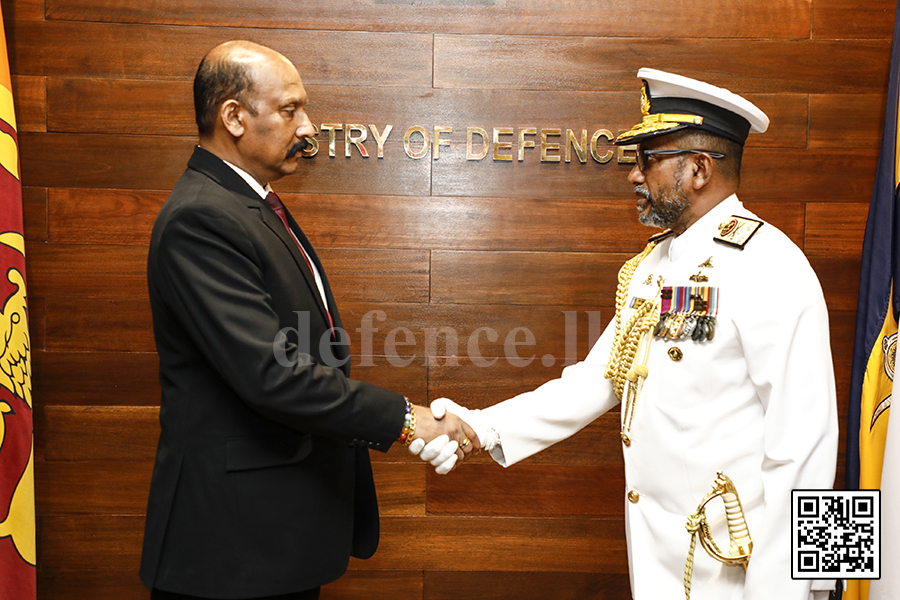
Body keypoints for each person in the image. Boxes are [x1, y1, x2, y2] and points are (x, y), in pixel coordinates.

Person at [419, 69, 839, 599]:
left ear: (699, 169)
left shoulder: (771, 264)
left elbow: (808, 447)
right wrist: (479, 427)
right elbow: (597, 379)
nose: (633, 176)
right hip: (662, 559)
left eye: (648, 160)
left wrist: (796, 592)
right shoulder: (655, 265)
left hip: (742, 573)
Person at [140, 40, 476, 600]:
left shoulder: (248, 203)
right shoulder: (201, 218)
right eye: (290, 110)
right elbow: (272, 374)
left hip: (268, 536)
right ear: (234, 117)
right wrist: (404, 418)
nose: (308, 127)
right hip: (230, 549)